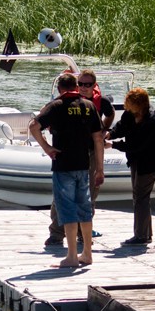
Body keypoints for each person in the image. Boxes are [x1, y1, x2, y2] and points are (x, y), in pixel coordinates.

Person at [29, 73, 105, 267]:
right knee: (85, 209)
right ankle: (87, 253)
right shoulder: (88, 106)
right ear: (76, 87)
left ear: (60, 89)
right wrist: (100, 169)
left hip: (63, 165)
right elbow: (98, 139)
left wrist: (47, 148)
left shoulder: (55, 106)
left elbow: (34, 126)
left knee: (68, 210)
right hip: (84, 165)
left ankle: (72, 256)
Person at [45, 69, 115, 246]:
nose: (84, 88)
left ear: (94, 86)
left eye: (88, 85)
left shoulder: (97, 103)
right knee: (61, 196)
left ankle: (83, 234)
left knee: (88, 195)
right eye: (81, 84)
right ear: (76, 85)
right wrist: (48, 147)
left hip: (89, 153)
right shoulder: (62, 103)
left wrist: (105, 130)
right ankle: (57, 233)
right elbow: (40, 123)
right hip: (66, 154)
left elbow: (104, 126)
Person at [105, 87, 155, 246]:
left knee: (140, 198)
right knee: (141, 197)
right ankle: (146, 234)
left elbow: (136, 145)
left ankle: (140, 236)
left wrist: (112, 145)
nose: (126, 107)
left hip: (149, 162)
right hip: (137, 160)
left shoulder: (152, 120)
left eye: (129, 105)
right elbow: (122, 126)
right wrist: (110, 133)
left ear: (140, 105)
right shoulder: (131, 113)